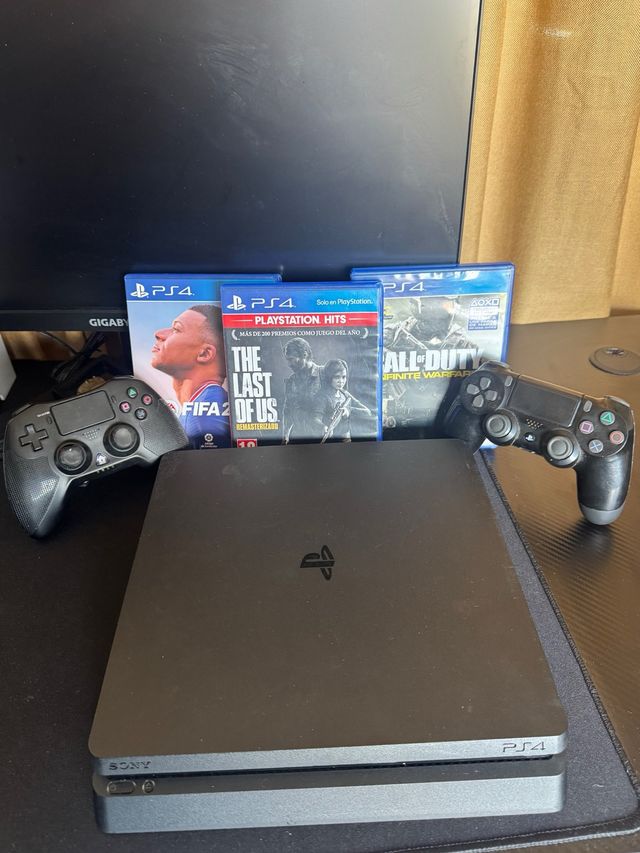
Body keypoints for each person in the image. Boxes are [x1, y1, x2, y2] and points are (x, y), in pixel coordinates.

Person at [151, 304, 230, 448]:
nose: (159, 333)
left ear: (204, 354)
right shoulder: (201, 406)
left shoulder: (204, 416)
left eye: (176, 329)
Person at [311, 359, 371, 442]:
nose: (341, 381)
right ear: (329, 377)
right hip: (330, 441)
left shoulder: (345, 394)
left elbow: (367, 412)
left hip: (346, 440)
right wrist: (323, 427)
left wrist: (347, 411)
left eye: (344, 377)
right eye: (337, 377)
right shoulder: (322, 397)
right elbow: (315, 418)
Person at [281, 337, 322, 443]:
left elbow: (344, 401)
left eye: (291, 359)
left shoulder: (324, 374)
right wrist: (285, 435)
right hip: (297, 440)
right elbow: (288, 410)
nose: (289, 364)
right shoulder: (291, 381)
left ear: (304, 354)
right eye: (287, 360)